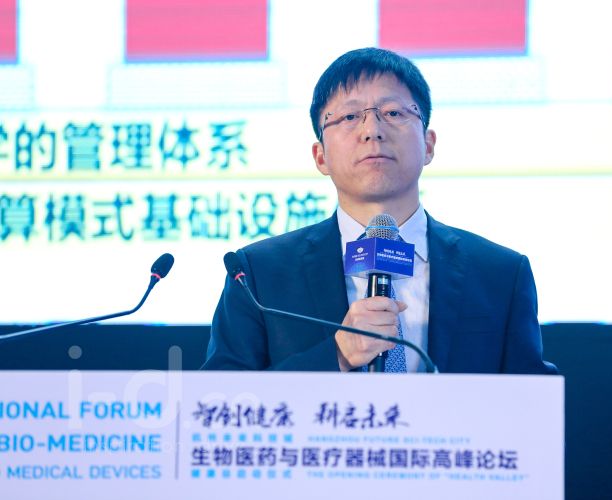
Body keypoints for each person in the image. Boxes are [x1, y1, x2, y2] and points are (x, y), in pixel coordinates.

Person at [202, 47, 557, 374]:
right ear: (320, 156)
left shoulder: (499, 273)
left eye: (393, 113)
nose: (372, 131)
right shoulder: (257, 274)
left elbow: (534, 404)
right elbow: (219, 400)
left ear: (428, 145)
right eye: (349, 116)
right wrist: (336, 355)